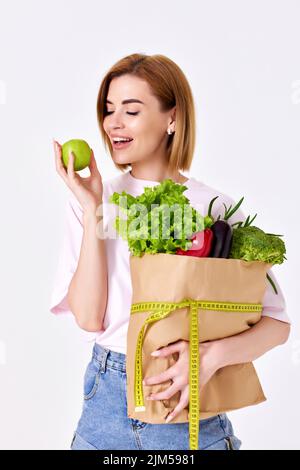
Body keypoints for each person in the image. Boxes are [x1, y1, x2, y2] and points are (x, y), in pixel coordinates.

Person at [50, 53, 291, 451]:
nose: (114, 123)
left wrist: (209, 358)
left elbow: (277, 324)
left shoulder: (216, 210)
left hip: (188, 408)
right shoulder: (92, 199)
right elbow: (90, 319)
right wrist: (93, 208)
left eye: (131, 110)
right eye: (109, 110)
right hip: (104, 406)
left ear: (172, 118)